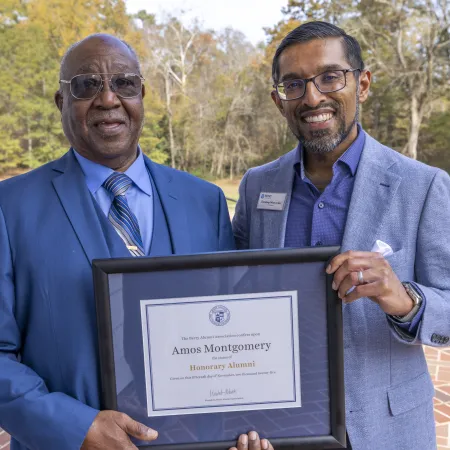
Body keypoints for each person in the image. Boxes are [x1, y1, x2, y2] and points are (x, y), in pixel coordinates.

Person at [0, 34, 235, 450]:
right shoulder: (10, 207)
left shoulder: (206, 202)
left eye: (124, 84)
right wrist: (74, 428)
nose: (108, 99)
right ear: (61, 102)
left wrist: (249, 417)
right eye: (87, 85)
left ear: (141, 94)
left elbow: (231, 330)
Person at [232, 21, 450, 450]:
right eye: (293, 84)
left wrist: (403, 298)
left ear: (362, 84)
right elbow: (234, 294)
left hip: (383, 430)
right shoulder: (258, 187)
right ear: (279, 101)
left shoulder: (422, 186)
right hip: (278, 426)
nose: (313, 97)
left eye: (330, 76)